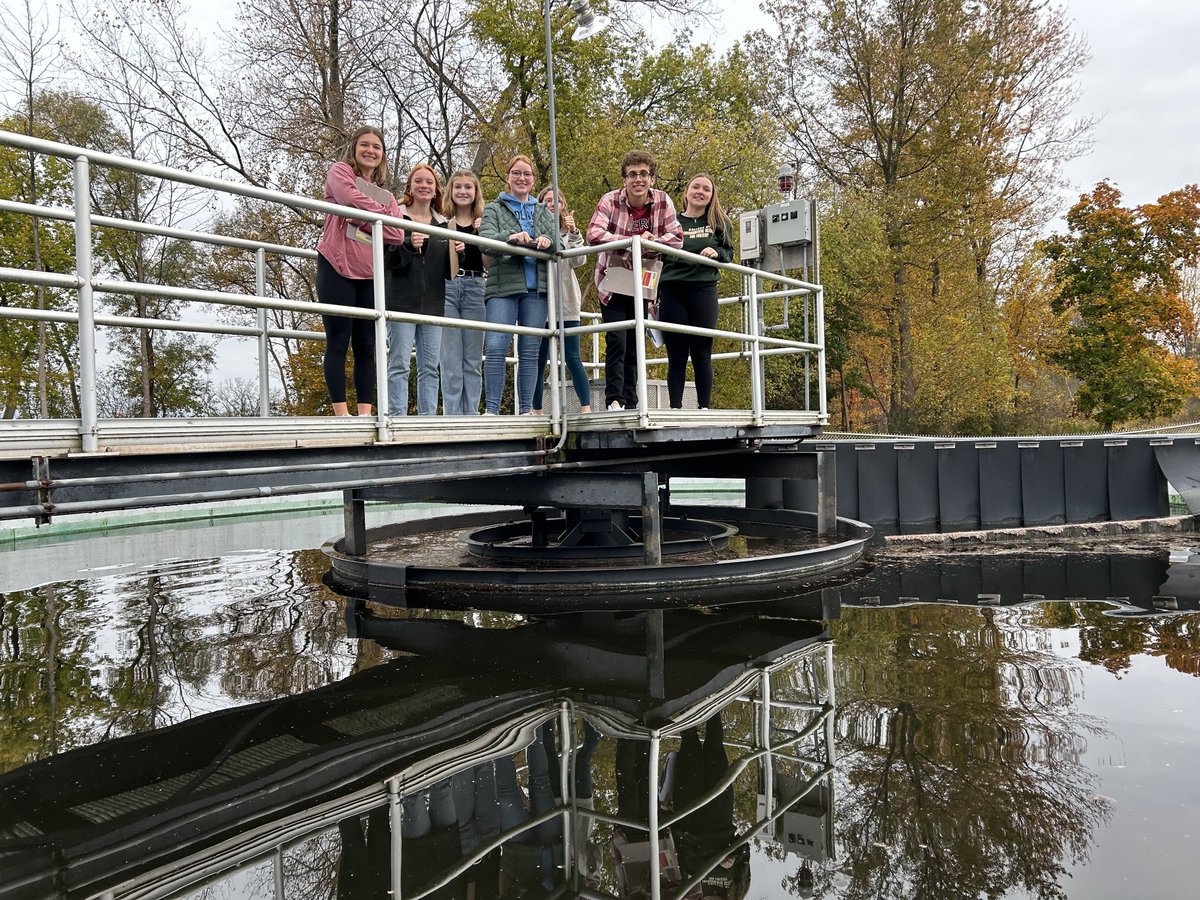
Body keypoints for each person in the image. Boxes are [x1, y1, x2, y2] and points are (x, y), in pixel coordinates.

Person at [315, 126, 405, 416]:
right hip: (336, 266)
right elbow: (347, 198)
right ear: (355, 148)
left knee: (367, 345)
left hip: (369, 274)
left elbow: (398, 235)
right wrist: (380, 217)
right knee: (338, 340)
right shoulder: (340, 172)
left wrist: (362, 216)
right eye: (365, 145)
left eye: (376, 147)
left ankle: (365, 413)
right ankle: (342, 415)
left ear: (382, 154)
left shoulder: (387, 195)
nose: (370, 151)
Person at [586, 150, 683, 412]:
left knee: (635, 340)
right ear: (624, 179)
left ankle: (631, 400)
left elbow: (676, 237)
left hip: (642, 280)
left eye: (643, 174)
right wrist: (632, 243)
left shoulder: (663, 201)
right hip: (613, 277)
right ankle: (613, 399)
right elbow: (593, 233)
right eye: (632, 174)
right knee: (617, 339)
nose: (638, 179)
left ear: (651, 178)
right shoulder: (610, 200)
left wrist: (653, 241)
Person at [479, 155, 556, 415]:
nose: (521, 178)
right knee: (497, 346)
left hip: (537, 290)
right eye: (516, 173)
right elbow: (486, 241)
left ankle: (525, 411)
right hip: (503, 288)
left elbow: (558, 243)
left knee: (530, 351)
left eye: (527, 174)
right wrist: (510, 237)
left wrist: (547, 240)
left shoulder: (543, 210)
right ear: (508, 177)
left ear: (533, 180)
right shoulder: (494, 208)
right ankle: (492, 410)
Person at [385, 164, 460, 416]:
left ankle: (427, 418)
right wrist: (407, 245)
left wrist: (457, 251)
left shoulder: (444, 225)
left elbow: (450, 272)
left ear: (436, 189)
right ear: (410, 187)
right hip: (400, 302)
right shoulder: (395, 217)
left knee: (430, 366)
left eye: (429, 182)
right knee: (399, 364)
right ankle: (397, 416)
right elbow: (385, 260)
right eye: (419, 181)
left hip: (433, 304)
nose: (424, 186)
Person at [657, 174, 733, 410]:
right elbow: (657, 258)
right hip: (672, 291)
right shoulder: (672, 222)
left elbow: (729, 254)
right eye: (696, 187)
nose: (700, 192)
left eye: (707, 189)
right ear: (687, 192)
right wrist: (653, 294)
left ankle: (704, 407)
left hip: (703, 290)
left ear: (712, 196)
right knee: (676, 355)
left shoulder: (719, 222)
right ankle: (675, 408)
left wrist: (716, 252)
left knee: (702, 352)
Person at [532, 187, 592, 414]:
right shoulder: (534, 231)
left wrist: (575, 231)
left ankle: (585, 408)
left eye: (557, 200)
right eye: (547, 200)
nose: (552, 204)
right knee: (538, 360)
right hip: (540, 303)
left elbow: (580, 260)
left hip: (566, 302)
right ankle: (536, 410)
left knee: (572, 357)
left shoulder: (569, 235)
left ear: (563, 206)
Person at [440, 170, 487, 416]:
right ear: (451, 191)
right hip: (447, 288)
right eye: (457, 186)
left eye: (468, 187)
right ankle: (452, 416)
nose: (462, 191)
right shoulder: (441, 221)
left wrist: (482, 238)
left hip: (475, 287)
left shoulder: (485, 222)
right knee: (450, 360)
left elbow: (490, 263)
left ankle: (472, 414)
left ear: (475, 192)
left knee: (472, 359)